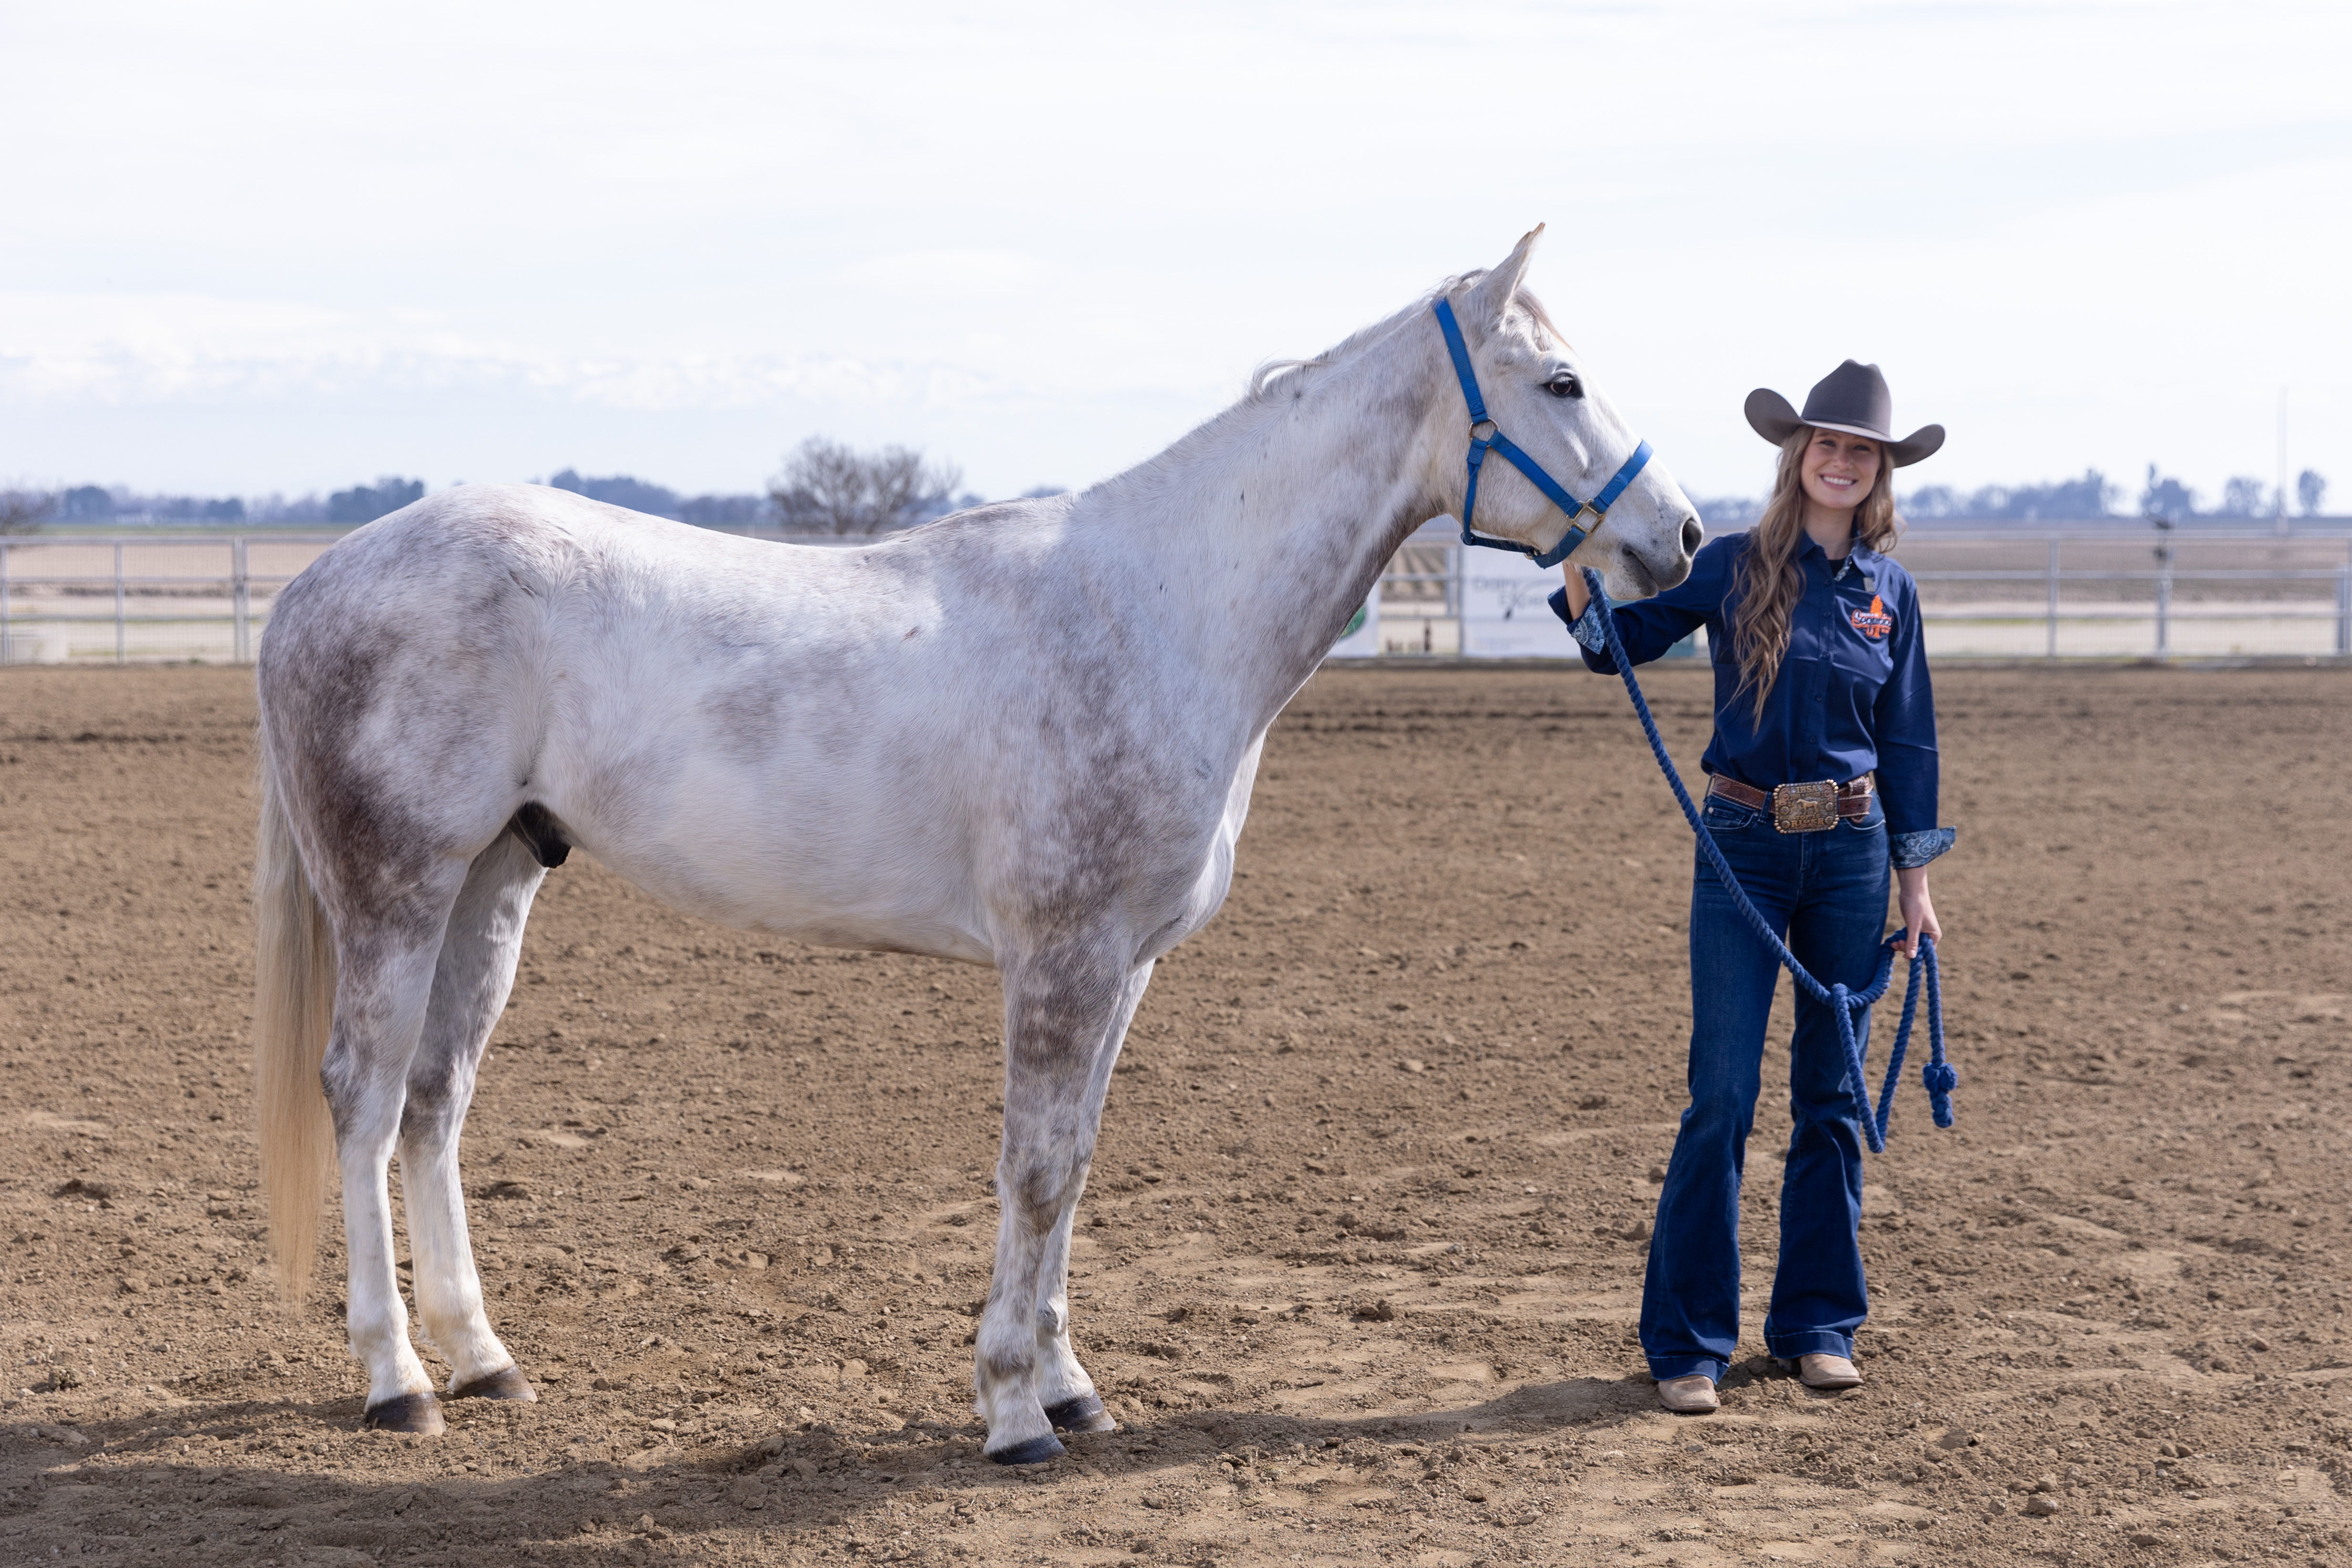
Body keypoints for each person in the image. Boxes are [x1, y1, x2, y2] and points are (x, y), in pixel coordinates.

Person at [1550, 361, 1955, 1414]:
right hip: (1741, 845)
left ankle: (1819, 1324)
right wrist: (1582, 563)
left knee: (1830, 1097)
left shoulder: (1890, 594)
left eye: (1859, 450)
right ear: (1798, 456)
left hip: (1856, 854)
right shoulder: (1732, 564)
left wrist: (1916, 886)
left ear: (1877, 474)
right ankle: (1689, 1345)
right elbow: (1615, 651)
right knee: (1722, 1096)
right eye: (1825, 444)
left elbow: (1908, 742)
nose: (1839, 461)